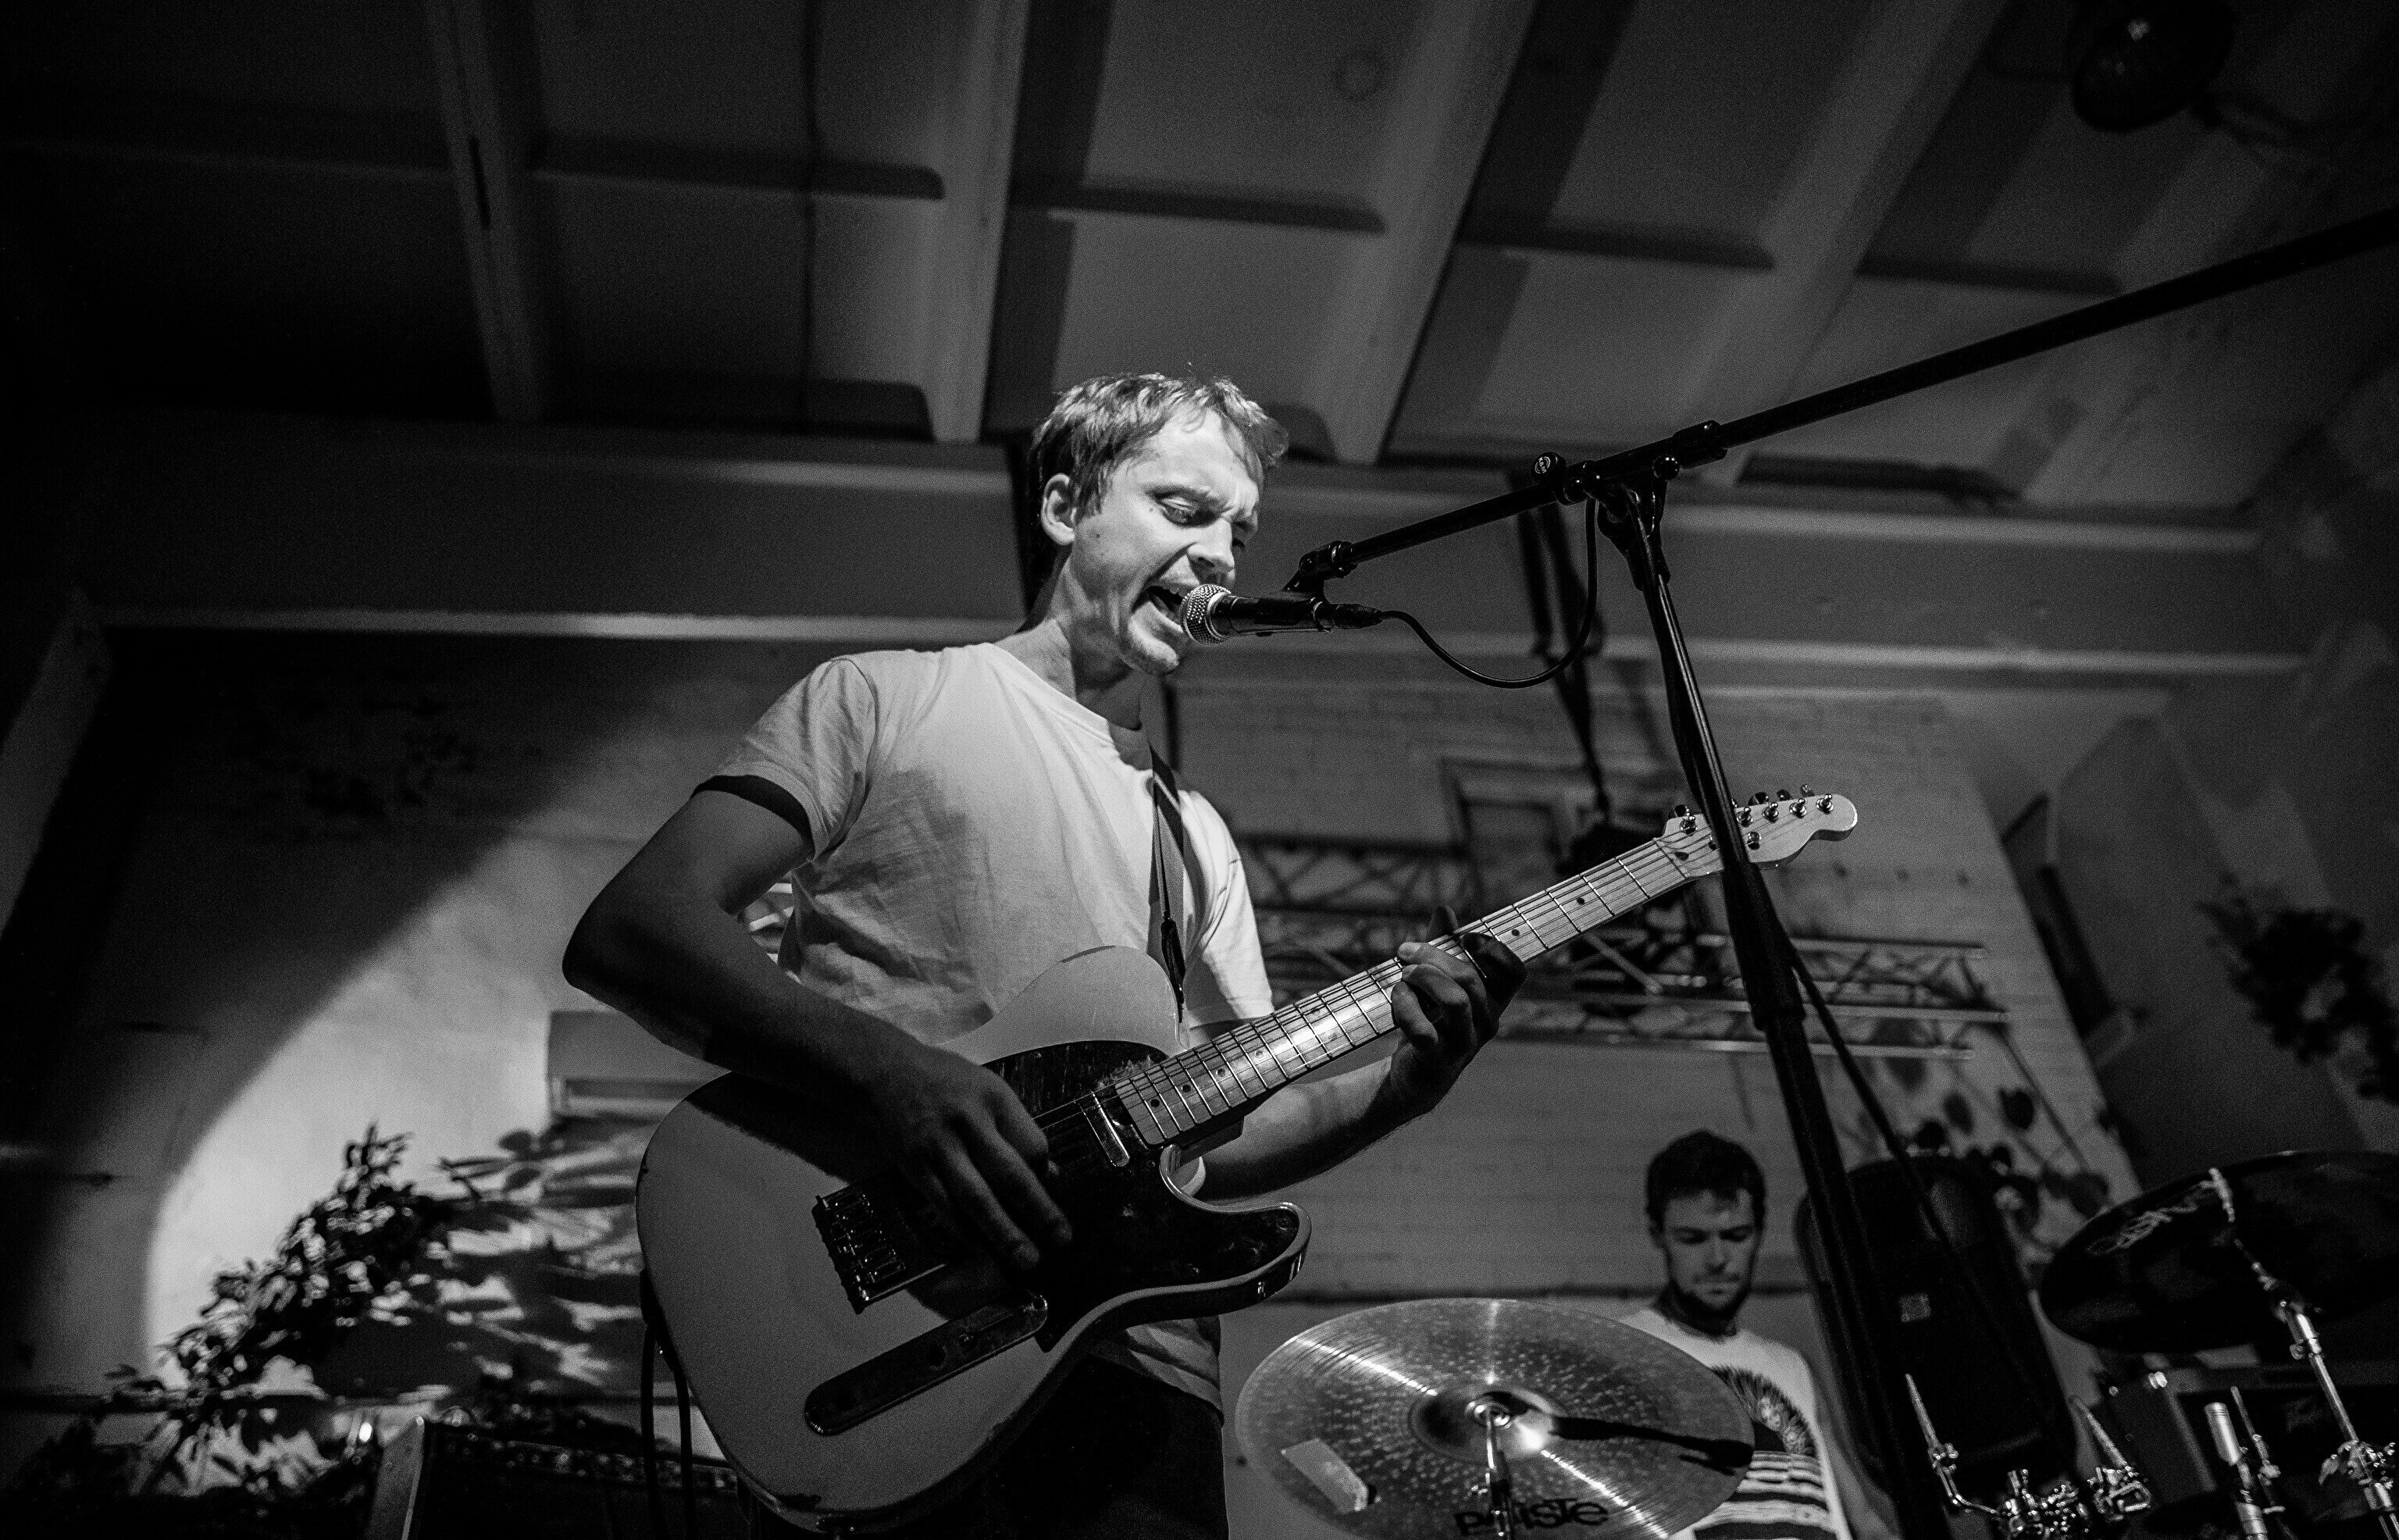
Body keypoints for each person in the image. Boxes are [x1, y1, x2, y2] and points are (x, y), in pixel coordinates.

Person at [564, 372, 1522, 1538]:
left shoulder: (1195, 836)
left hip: (1138, 1377)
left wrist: (1403, 1089)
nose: (1223, 555)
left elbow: (1212, 1131)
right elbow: (639, 929)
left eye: (1241, 529)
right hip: (902, 1344)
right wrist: (894, 1075)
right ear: (1066, 505)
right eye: (1183, 509)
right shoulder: (886, 699)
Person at [1619, 1131, 1892, 1540]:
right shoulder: (1623, 1352)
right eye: (1693, 1239)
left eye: (1736, 1236)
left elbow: (1866, 1520)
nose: (1717, 1259)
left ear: (1760, 1232)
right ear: (1657, 1234)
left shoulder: (1791, 1366)